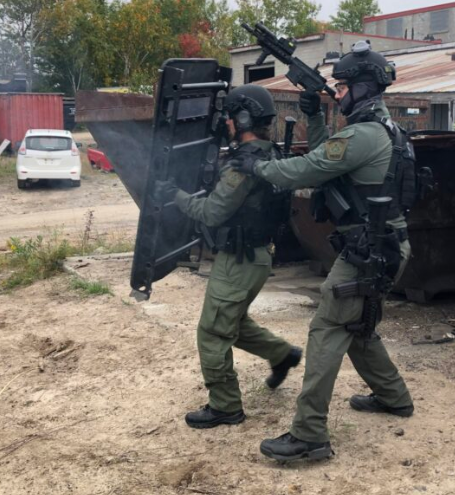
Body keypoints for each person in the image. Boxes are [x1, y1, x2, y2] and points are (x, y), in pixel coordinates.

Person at [233, 41, 415, 461]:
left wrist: (258, 167)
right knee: (355, 328)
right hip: (382, 246)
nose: (339, 93)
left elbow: (307, 168)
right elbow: (327, 157)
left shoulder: (365, 134)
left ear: (364, 88)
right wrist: (315, 118)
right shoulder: (382, 130)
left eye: (344, 85)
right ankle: (394, 397)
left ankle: (309, 434)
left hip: (369, 251)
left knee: (327, 330)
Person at [153, 84, 302, 429]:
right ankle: (283, 355)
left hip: (240, 259)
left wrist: (175, 195)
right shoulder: (270, 154)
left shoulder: (244, 166)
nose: (227, 124)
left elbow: (212, 212)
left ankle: (225, 406)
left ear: (243, 118)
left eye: (230, 118)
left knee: (212, 332)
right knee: (233, 322)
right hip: (256, 256)